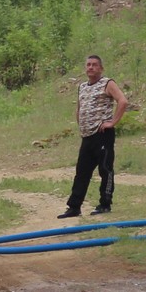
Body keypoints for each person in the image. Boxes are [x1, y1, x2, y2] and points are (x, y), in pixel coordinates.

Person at [60, 54, 126, 219]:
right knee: (81, 172)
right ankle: (74, 207)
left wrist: (112, 122)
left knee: (105, 169)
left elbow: (123, 101)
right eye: (88, 64)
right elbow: (79, 108)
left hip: (102, 134)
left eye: (94, 65)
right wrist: (81, 124)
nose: (91, 67)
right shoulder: (82, 86)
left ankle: (105, 204)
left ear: (101, 68)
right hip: (87, 136)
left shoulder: (107, 83)